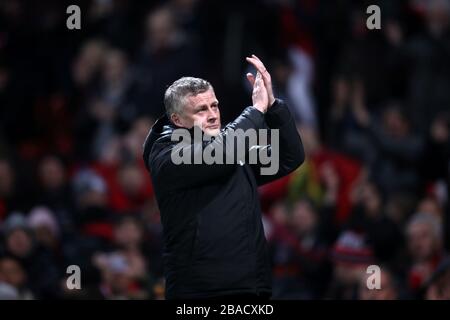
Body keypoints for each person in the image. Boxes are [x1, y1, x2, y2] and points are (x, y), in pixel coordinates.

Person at [142, 55, 304, 299]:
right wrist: (255, 110)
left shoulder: (233, 148)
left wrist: (273, 108)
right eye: (200, 109)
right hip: (201, 291)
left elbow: (289, 156)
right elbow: (219, 153)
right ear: (177, 120)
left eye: (214, 106)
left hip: (252, 287)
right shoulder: (168, 153)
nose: (212, 114)